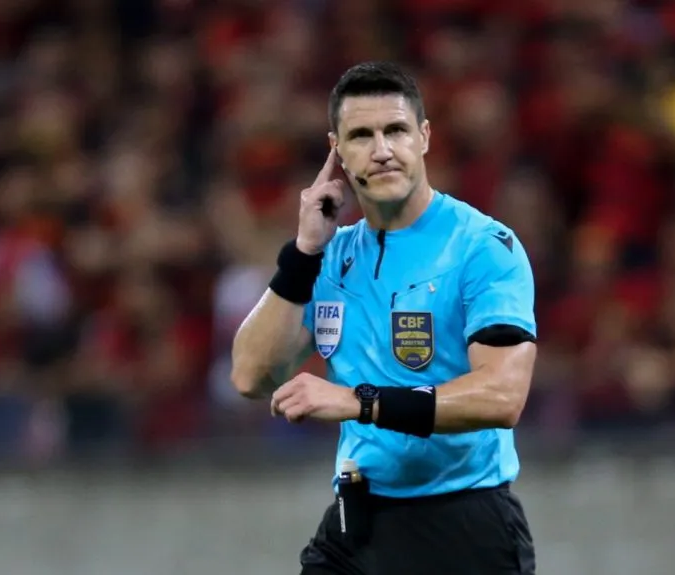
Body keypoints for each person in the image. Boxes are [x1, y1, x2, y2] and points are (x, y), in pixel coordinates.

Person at [231, 61, 538, 575]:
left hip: (463, 526)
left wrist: (359, 401)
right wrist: (303, 250)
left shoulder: (482, 247)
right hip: (359, 526)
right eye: (360, 136)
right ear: (338, 152)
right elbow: (250, 375)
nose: (381, 149)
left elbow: (503, 396)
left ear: (423, 137)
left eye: (395, 130)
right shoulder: (327, 256)